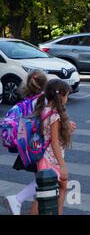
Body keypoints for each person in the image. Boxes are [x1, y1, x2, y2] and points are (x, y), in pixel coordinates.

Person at [3, 70, 48, 215]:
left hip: (27, 146)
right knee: (46, 178)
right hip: (38, 145)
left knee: (40, 180)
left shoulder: (28, 101)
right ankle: (17, 199)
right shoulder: (43, 100)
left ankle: (31, 208)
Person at [33, 79, 75, 215]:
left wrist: (67, 127)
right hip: (52, 159)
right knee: (58, 189)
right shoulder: (55, 116)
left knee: (45, 194)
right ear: (60, 96)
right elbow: (54, 142)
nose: (67, 99)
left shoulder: (44, 110)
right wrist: (62, 165)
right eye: (66, 95)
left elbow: (48, 134)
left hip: (43, 157)